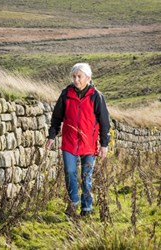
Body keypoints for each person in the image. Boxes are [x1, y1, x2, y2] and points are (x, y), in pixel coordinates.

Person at [45, 62, 110, 218]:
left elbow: (104, 122)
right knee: (69, 172)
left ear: (88, 78)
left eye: (79, 77)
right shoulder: (66, 94)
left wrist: (104, 145)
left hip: (89, 143)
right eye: (74, 76)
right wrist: (52, 135)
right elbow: (56, 117)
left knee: (86, 177)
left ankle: (86, 208)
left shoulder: (96, 96)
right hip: (69, 141)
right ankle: (73, 203)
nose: (76, 80)